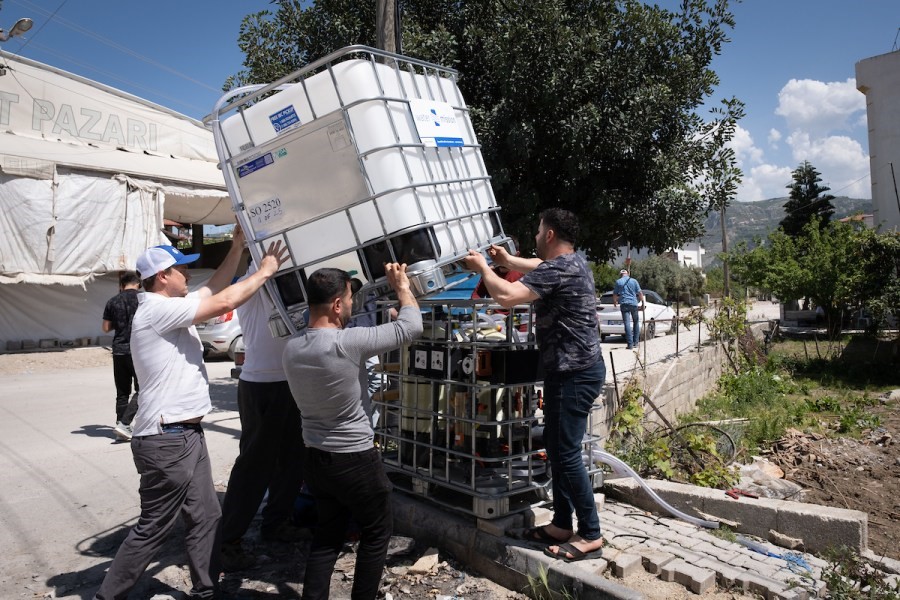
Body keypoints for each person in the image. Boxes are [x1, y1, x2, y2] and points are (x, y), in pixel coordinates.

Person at [93, 229, 287, 600]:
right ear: (163, 276)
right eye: (181, 270)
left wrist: (236, 248)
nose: (188, 275)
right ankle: (108, 596)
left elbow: (212, 288)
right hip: (166, 438)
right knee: (154, 527)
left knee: (207, 516)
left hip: (185, 435)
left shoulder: (167, 306)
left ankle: (205, 589)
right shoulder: (158, 310)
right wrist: (263, 271)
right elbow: (222, 299)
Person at [463, 207, 606, 563]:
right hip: (573, 371)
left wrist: (483, 268)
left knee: (567, 454)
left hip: (574, 374)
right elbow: (537, 267)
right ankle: (561, 523)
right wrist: (509, 258)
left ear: (551, 235)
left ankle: (590, 533)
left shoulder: (561, 268)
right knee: (559, 451)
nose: (536, 236)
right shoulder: (574, 263)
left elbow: (508, 297)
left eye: (539, 231)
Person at [283, 264, 423, 600]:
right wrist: (402, 286)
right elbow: (412, 326)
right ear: (335, 305)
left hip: (316, 459)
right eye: (348, 298)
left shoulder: (292, 348)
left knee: (328, 536)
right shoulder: (346, 343)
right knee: (377, 531)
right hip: (355, 460)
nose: (351, 305)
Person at [219, 263, 307, 572]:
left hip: (290, 381)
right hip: (261, 384)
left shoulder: (290, 279)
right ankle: (228, 542)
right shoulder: (251, 281)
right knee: (254, 466)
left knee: (293, 459)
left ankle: (276, 523)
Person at [101, 271, 141, 441]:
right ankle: (125, 424)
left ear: (121, 285)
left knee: (122, 391)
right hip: (138, 350)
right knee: (144, 389)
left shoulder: (112, 301)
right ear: (138, 284)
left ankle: (120, 425)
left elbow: (105, 328)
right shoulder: (143, 299)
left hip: (119, 350)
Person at [613, 268, 644, 349]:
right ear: (628, 274)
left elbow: (615, 294)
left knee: (627, 323)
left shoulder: (618, 281)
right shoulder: (634, 281)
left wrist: (615, 302)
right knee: (636, 322)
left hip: (624, 304)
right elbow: (640, 292)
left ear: (621, 275)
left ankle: (630, 344)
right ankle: (636, 343)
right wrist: (642, 301)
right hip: (634, 303)